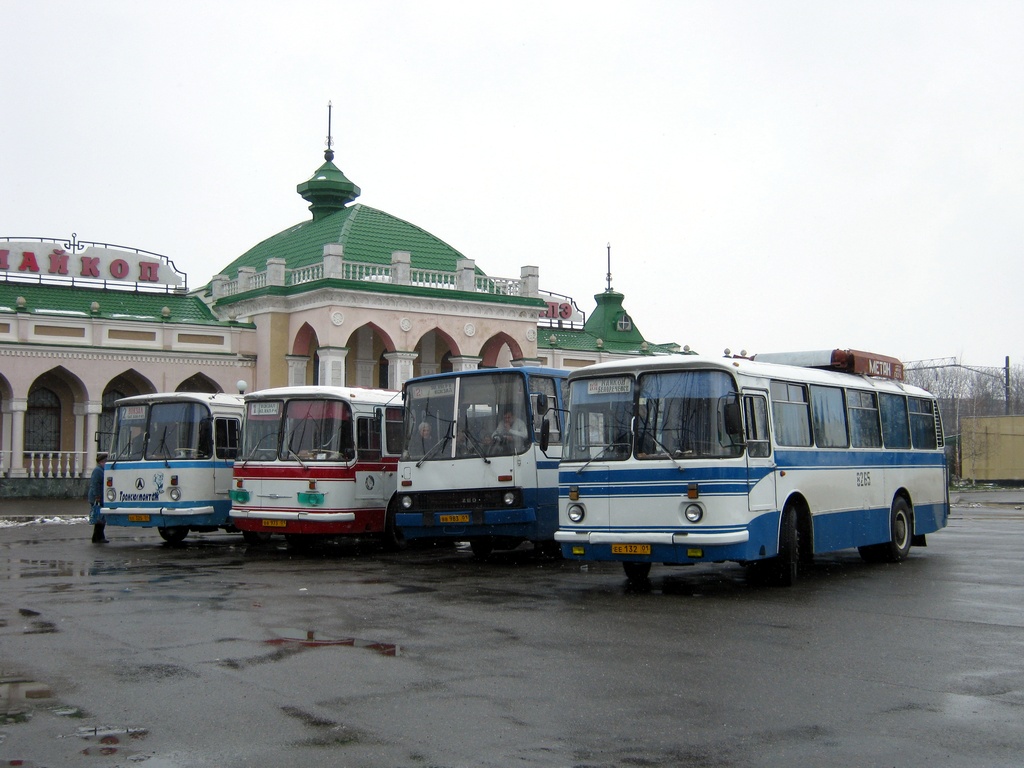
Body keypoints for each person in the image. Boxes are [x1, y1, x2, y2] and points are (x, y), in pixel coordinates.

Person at [88, 452, 108, 543]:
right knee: (99, 518)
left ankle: (99, 537)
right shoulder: (98, 470)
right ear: (101, 462)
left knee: (100, 518)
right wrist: (97, 496)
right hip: (97, 498)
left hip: (99, 497)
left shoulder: (101, 470)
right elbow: (95, 484)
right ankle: (97, 538)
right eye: (105, 462)